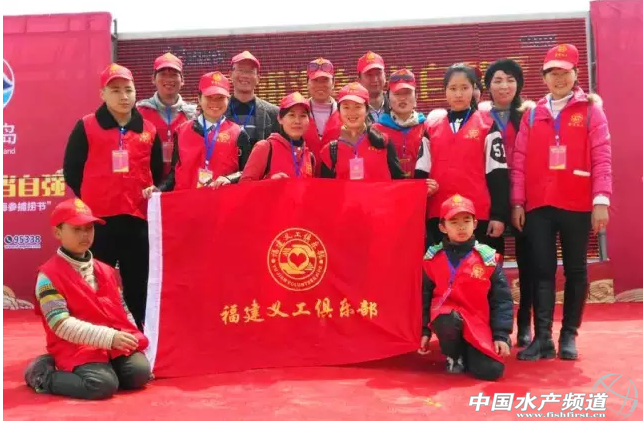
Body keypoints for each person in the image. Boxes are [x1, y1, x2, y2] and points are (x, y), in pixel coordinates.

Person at [511, 44, 612, 361]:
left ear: (576, 74)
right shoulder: (532, 114)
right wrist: (517, 202)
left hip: (577, 202)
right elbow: (519, 160)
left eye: (565, 72)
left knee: (575, 269)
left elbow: (602, 157)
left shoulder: (591, 111)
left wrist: (601, 199)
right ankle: (543, 339)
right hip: (539, 204)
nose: (559, 79)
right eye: (553, 73)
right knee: (541, 270)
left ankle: (569, 335)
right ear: (544, 77)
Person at [62, 63, 163, 329]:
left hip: (137, 219)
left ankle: (142, 333)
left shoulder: (149, 130)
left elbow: (156, 172)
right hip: (99, 221)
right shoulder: (86, 126)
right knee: (96, 279)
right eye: (115, 90)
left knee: (139, 282)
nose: (123, 96)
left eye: (128, 89)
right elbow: (72, 170)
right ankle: (96, 333)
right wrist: (91, 198)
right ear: (102, 94)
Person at [23, 198, 150, 400]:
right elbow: (61, 325)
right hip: (73, 345)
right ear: (57, 232)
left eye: (89, 228)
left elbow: (122, 309)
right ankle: (42, 375)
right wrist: (109, 338)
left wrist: (132, 337)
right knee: (101, 385)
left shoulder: (106, 270)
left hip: (109, 343)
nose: (85, 235)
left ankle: (104, 367)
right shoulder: (48, 276)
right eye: (76, 229)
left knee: (139, 373)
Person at [415, 63, 509, 253]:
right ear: (445, 91)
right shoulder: (432, 127)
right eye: (453, 88)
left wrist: (498, 215)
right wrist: (421, 194)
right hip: (440, 215)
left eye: (464, 88)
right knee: (442, 269)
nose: (458, 94)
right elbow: (421, 172)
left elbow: (498, 173)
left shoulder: (487, 125)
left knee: (480, 268)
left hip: (477, 215)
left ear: (473, 89)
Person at [419, 194, 513, 381]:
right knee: (445, 318)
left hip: (478, 323)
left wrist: (501, 335)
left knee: (491, 371)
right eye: (454, 222)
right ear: (442, 227)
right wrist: (424, 331)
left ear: (475, 224)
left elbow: (502, 300)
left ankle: (470, 351)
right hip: (447, 319)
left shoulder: (488, 259)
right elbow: (424, 296)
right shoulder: (432, 259)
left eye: (466, 221)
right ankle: (454, 355)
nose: (461, 227)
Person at [480, 59, 533, 347]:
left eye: (510, 79)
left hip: (526, 199)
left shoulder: (530, 115)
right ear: (488, 86)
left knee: (529, 265)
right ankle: (493, 324)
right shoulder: (479, 117)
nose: (504, 86)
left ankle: (524, 323)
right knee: (492, 266)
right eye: (498, 80)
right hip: (492, 202)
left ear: (519, 84)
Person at [157, 71, 250, 191]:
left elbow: (248, 172)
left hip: (222, 200)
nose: (215, 102)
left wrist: (229, 178)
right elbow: (174, 172)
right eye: (209, 97)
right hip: (187, 199)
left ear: (228, 100)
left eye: (220, 98)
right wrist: (159, 189)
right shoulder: (181, 131)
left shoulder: (238, 133)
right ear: (199, 99)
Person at [319, 82, 403, 180]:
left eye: (358, 106)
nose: (352, 112)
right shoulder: (330, 151)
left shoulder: (383, 142)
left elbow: (399, 182)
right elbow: (325, 187)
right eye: (346, 107)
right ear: (339, 111)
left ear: (367, 110)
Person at [137, 52, 197, 179]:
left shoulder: (192, 115)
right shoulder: (139, 112)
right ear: (153, 79)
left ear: (182, 80)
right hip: (148, 183)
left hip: (181, 182)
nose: (169, 79)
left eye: (174, 74)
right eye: (163, 74)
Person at [240, 92, 315, 180]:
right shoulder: (265, 147)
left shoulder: (309, 156)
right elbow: (245, 184)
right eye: (291, 115)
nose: (297, 121)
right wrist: (270, 183)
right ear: (280, 119)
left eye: (303, 116)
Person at [372, 69, 429, 178]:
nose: (402, 98)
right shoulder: (376, 131)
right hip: (389, 188)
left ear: (416, 96)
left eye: (407, 93)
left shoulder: (427, 128)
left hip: (422, 188)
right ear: (388, 97)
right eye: (397, 94)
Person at [226, 50, 279, 147]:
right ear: (230, 74)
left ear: (258, 78)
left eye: (250, 71)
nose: (245, 76)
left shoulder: (274, 114)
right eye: (240, 70)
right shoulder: (218, 111)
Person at [302, 58, 341, 163]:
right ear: (307, 83)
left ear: (333, 82)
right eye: (315, 80)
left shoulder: (344, 113)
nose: (320, 85)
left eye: (325, 80)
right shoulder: (298, 112)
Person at [357, 51, 390, 123]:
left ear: (385, 76)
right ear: (359, 80)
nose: (375, 79)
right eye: (369, 75)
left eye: (378, 73)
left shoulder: (396, 106)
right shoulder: (353, 112)